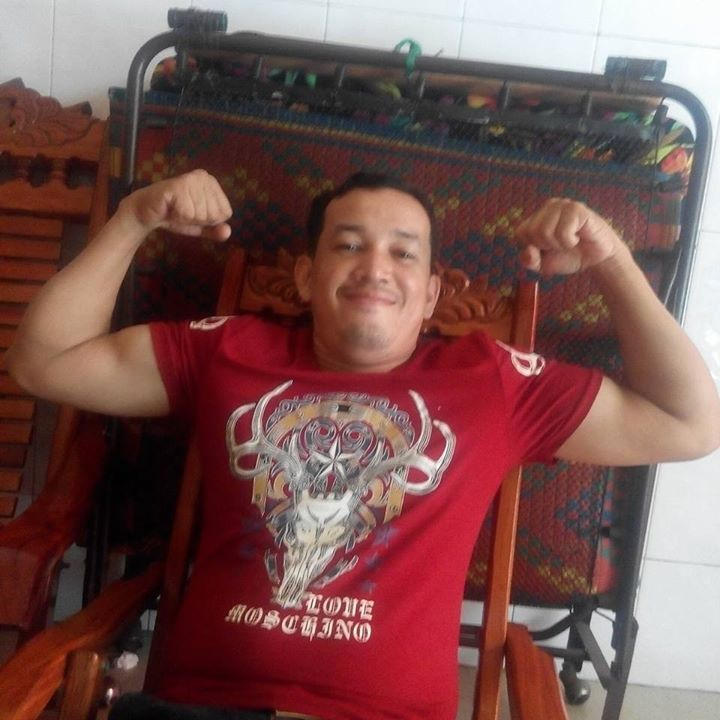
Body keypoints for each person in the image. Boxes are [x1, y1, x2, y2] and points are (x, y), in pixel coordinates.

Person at [6, 169, 720, 720]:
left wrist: (611, 259)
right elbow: (43, 364)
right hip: (203, 707)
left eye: (403, 253)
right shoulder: (228, 349)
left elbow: (690, 423)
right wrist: (133, 218)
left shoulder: (495, 382)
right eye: (348, 245)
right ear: (305, 276)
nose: (376, 267)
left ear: (432, 293)